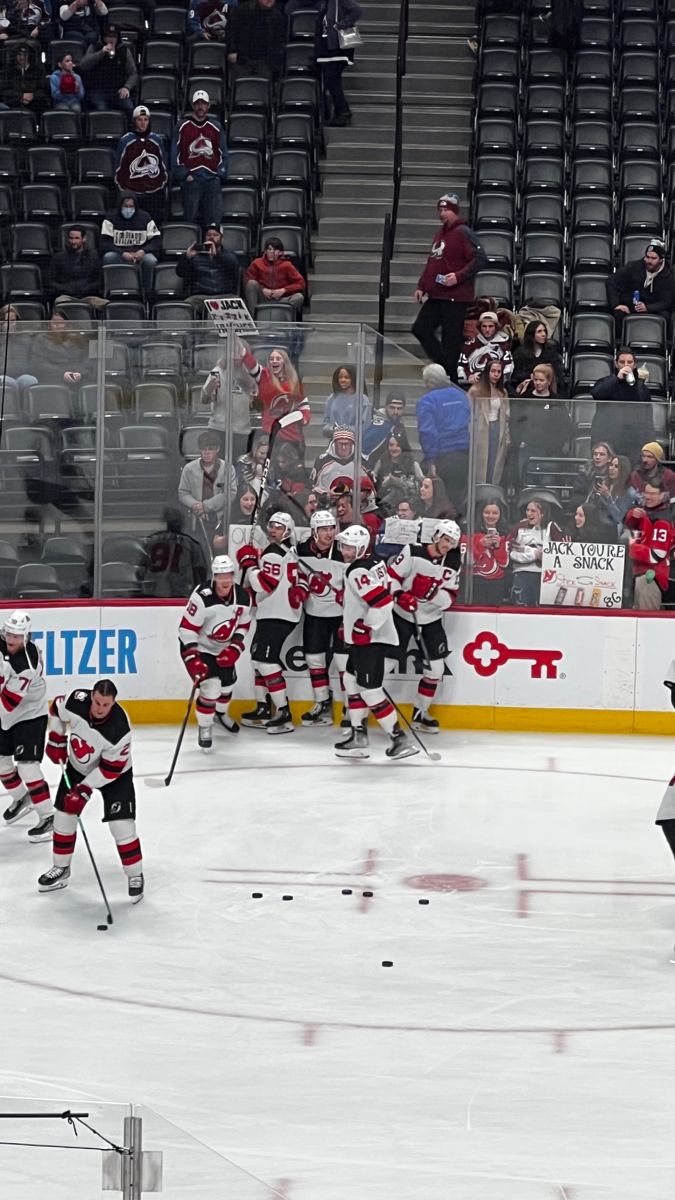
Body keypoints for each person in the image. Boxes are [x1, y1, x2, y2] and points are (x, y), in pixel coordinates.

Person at [38, 679, 144, 900]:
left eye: (106, 705)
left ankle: (135, 874)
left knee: (121, 826)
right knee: (64, 818)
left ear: (113, 703)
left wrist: (84, 789)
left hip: (116, 776)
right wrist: (56, 738)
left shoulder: (119, 729)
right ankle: (62, 868)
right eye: (97, 702)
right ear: (91, 696)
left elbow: (110, 771)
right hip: (77, 767)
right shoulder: (77, 700)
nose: (100, 708)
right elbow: (56, 710)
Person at [334, 524, 418, 761]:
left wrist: (366, 626)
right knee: (350, 680)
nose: (344, 550)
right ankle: (358, 734)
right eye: (343, 545)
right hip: (370, 637)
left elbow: (381, 602)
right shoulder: (375, 563)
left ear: (360, 548)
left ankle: (398, 738)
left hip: (372, 640)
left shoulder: (356, 572)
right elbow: (388, 588)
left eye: (349, 547)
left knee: (370, 690)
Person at [236, 511, 308, 734]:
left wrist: (249, 565)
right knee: (258, 660)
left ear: (287, 530)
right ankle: (262, 707)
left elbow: (264, 585)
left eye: (278, 526)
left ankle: (283, 711)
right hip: (275, 612)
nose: (273, 529)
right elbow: (303, 577)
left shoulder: (273, 553)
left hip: (277, 614)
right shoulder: (290, 551)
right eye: (271, 525)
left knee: (265, 662)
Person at [388, 520, 461, 732]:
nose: (448, 545)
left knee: (436, 669)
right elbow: (390, 578)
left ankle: (420, 713)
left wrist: (431, 594)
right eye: (446, 539)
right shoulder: (412, 551)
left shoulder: (453, 561)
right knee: (386, 663)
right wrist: (399, 595)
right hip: (401, 616)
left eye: (453, 542)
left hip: (430, 620)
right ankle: (364, 707)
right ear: (437, 535)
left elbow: (448, 599)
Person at [178, 555, 252, 748]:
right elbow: (186, 630)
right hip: (198, 647)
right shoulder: (202, 596)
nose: (225, 580)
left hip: (223, 648)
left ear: (233, 575)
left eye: (228, 575)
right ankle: (205, 726)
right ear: (214, 576)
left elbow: (244, 624)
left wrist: (235, 647)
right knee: (210, 687)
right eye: (220, 576)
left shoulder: (243, 597)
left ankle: (220, 714)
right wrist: (193, 658)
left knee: (227, 686)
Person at [412, 192, 485, 381]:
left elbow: (480, 258)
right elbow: (432, 263)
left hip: (455, 297)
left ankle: (449, 378)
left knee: (450, 342)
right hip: (437, 294)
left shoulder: (463, 232)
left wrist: (459, 277)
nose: (442, 214)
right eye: (440, 210)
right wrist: (422, 286)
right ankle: (445, 370)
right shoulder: (439, 234)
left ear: (455, 212)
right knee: (420, 328)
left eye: (446, 210)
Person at [0, 611, 52, 843]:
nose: (11, 638)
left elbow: (8, 703)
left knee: (28, 767)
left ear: (26, 637)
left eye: (17, 635)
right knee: (1, 762)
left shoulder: (27, 664)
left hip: (30, 713)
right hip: (7, 712)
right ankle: (22, 797)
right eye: (9, 632)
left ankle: (49, 816)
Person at [296, 509, 347, 724]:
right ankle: (322, 702)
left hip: (342, 615)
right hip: (315, 613)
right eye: (323, 529)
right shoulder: (299, 550)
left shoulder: (344, 549)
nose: (329, 533)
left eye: (331, 528)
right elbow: (293, 572)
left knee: (344, 662)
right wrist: (298, 586)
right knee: (314, 659)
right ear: (314, 532)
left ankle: (349, 706)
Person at [416, 363, 471, 511]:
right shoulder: (462, 395)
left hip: (443, 456)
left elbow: (428, 433)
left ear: (430, 382)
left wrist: (431, 461)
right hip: (465, 454)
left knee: (441, 500)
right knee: (458, 498)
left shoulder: (427, 401)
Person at [239, 343, 310, 455]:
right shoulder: (264, 376)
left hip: (292, 435)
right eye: (271, 359)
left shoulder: (294, 380)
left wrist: (304, 418)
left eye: (278, 358)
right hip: (270, 434)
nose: (274, 361)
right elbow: (252, 365)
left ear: (285, 362)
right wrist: (241, 350)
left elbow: (303, 405)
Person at [171, 90, 228, 230]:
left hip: (211, 181)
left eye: (203, 103)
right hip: (192, 181)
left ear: (208, 106)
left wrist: (219, 174)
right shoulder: (182, 126)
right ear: (192, 105)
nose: (200, 106)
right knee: (190, 223)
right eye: (197, 103)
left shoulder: (216, 126)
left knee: (213, 225)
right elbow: (174, 153)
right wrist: (184, 174)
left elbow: (223, 154)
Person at [509, 363, 571, 483]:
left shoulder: (556, 402)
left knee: (547, 485)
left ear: (549, 381)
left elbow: (564, 427)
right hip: (526, 450)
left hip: (548, 452)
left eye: (541, 380)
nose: (538, 383)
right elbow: (514, 422)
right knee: (526, 484)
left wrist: (556, 446)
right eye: (536, 379)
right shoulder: (524, 400)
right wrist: (518, 441)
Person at [590, 348, 655, 457]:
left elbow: (648, 417)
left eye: (629, 362)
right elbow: (596, 394)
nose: (626, 365)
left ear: (634, 365)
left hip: (633, 441)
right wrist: (617, 378)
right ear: (616, 364)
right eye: (622, 362)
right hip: (609, 438)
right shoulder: (606, 381)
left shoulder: (641, 388)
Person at [114, 105, 169, 224]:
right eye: (139, 119)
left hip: (154, 194)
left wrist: (160, 186)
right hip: (133, 195)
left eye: (146, 119)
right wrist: (125, 192)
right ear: (134, 121)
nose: (143, 123)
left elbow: (163, 167)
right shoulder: (125, 141)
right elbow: (118, 169)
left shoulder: (157, 140)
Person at [508, 498, 566, 606]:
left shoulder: (551, 528)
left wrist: (527, 550)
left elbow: (559, 552)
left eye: (533, 511)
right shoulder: (520, 527)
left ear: (542, 514)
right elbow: (511, 552)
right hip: (522, 573)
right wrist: (535, 554)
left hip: (545, 576)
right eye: (527, 510)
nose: (529, 513)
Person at [606, 240, 675, 332]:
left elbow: (666, 302)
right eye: (647, 257)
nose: (649, 261)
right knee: (618, 314)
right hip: (630, 305)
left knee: (665, 316)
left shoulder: (669, 275)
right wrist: (617, 304)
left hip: (654, 307)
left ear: (661, 260)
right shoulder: (633, 266)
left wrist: (647, 308)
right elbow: (612, 281)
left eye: (653, 258)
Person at [101, 193, 160, 293]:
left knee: (151, 260)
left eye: (131, 206)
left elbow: (157, 241)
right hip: (119, 254)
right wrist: (122, 253)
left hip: (140, 254)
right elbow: (104, 242)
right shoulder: (111, 217)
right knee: (109, 257)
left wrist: (143, 251)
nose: (128, 209)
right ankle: (112, 290)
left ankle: (146, 293)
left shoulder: (145, 217)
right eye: (125, 206)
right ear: (120, 205)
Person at [143, 506, 208, 598]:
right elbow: (200, 574)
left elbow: (141, 569)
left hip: (153, 593)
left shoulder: (150, 541)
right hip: (181, 594)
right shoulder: (191, 544)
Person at [178, 429, 237, 532]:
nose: (206, 452)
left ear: (217, 449)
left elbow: (230, 493)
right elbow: (182, 493)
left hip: (221, 520)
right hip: (197, 519)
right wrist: (197, 507)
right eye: (203, 448)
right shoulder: (189, 468)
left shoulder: (228, 468)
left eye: (210, 449)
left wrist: (206, 506)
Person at [624, 492, 675, 609]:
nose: (647, 497)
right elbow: (631, 526)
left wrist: (632, 548)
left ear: (662, 496)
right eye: (646, 493)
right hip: (641, 576)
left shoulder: (662, 521)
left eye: (652, 493)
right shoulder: (648, 516)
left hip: (650, 578)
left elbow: (656, 555)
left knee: (647, 621)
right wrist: (633, 515)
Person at [315, 0, 362, 127]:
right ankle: (339, 113)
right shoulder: (326, 2)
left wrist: (340, 25)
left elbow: (357, 11)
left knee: (332, 79)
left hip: (339, 46)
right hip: (329, 46)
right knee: (332, 80)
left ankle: (343, 111)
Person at [201, 352, 255, 460]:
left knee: (239, 468)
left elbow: (258, 406)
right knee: (217, 468)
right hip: (218, 429)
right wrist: (208, 390)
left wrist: (253, 393)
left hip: (241, 431)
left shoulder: (250, 374)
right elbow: (204, 400)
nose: (235, 357)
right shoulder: (217, 372)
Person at [175, 224, 240, 310]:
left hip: (224, 295)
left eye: (215, 235)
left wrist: (217, 255)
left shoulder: (227, 255)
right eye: (208, 235)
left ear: (221, 238)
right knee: (187, 306)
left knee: (237, 301)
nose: (211, 237)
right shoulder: (196, 256)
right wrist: (187, 257)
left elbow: (235, 266)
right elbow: (181, 273)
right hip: (200, 296)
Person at [467, 358, 510, 485]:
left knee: (494, 463)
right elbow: (468, 414)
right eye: (493, 371)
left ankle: (492, 490)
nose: (496, 374)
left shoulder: (503, 392)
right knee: (481, 465)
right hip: (480, 430)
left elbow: (507, 416)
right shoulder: (475, 391)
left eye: (499, 372)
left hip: (497, 428)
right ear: (487, 372)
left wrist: (507, 437)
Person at [80, 24, 137, 116]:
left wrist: (127, 87)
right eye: (108, 36)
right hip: (98, 90)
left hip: (117, 90)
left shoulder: (124, 50)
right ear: (103, 37)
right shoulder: (95, 47)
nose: (111, 39)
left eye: (114, 37)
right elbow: (83, 66)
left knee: (129, 107)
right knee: (101, 109)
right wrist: (101, 53)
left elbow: (133, 73)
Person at [244, 237, 305, 318]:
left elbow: (301, 283)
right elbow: (246, 280)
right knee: (251, 284)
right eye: (269, 249)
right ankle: (254, 319)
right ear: (265, 251)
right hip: (262, 297)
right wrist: (263, 289)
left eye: (275, 250)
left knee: (299, 297)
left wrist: (283, 290)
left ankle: (282, 316)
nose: (272, 252)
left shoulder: (287, 265)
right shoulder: (256, 263)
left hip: (281, 299)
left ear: (280, 252)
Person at [466, 499, 510, 606]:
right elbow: (467, 561)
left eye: (495, 513)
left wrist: (498, 546)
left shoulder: (505, 534)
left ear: (500, 515)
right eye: (487, 512)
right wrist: (481, 545)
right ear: (481, 513)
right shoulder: (470, 531)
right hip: (474, 581)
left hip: (496, 583)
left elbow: (504, 564)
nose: (490, 516)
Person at [227, 0, 285, 80]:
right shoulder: (242, 10)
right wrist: (232, 50)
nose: (270, 1)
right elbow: (231, 31)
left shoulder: (277, 16)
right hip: (242, 59)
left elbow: (278, 42)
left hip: (265, 61)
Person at [49, 226, 105, 310]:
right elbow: (51, 281)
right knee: (59, 303)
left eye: (77, 238)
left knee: (107, 305)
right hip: (66, 296)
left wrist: (86, 289)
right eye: (71, 238)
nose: (73, 241)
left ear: (84, 238)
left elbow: (99, 281)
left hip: (88, 296)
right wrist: (65, 289)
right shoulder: (58, 257)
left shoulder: (94, 257)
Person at [32, 310, 91, 386]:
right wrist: (62, 374)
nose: (58, 326)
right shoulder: (41, 339)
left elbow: (86, 360)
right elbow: (38, 363)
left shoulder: (77, 339)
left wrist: (79, 373)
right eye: (55, 323)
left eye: (61, 323)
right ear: (48, 325)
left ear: (66, 324)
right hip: (52, 377)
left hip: (78, 377)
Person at [457, 310, 514, 384]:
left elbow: (508, 367)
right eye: (484, 326)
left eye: (490, 326)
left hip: (497, 384)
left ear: (496, 327)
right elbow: (461, 366)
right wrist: (469, 377)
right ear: (479, 327)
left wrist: (498, 379)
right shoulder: (469, 345)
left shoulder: (503, 345)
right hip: (473, 384)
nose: (487, 330)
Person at [373, 427, 424, 510]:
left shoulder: (413, 464)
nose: (394, 449)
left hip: (408, 506)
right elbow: (372, 483)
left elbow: (420, 487)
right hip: (384, 505)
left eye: (397, 446)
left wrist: (397, 481)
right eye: (391, 445)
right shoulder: (381, 462)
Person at [511, 320, 565, 388]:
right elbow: (516, 376)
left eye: (544, 331)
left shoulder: (551, 351)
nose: (544, 334)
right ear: (531, 335)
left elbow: (558, 374)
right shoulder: (520, 353)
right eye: (539, 331)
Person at [322, 364, 370, 435]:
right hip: (335, 440)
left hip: (355, 442)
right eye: (340, 377)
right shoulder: (332, 398)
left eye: (347, 377)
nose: (342, 380)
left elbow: (365, 426)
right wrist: (333, 429)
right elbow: (325, 424)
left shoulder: (363, 399)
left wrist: (345, 430)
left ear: (354, 379)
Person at [0, 41, 46, 113]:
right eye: (20, 55)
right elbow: (3, 91)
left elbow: (43, 91)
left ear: (29, 56)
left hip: (34, 105)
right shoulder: (8, 70)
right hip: (12, 105)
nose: (22, 57)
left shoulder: (38, 70)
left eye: (25, 55)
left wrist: (32, 96)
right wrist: (20, 96)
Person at [362, 388, 406, 463]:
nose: (395, 412)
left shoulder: (397, 424)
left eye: (399, 408)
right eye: (392, 407)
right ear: (386, 407)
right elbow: (363, 454)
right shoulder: (381, 426)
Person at [0, 304, 38, 389]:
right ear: (2, 322)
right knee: (6, 381)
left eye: (13, 320)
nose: (11, 323)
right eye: (7, 320)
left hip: (22, 375)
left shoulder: (26, 337)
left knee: (30, 380)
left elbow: (33, 360)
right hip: (2, 376)